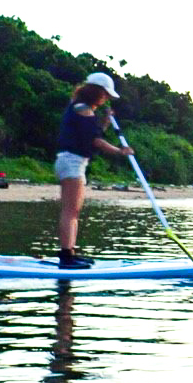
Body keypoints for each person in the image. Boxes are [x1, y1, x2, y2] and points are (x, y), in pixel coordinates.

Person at [55, 71, 133, 269]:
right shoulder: (83, 109)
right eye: (105, 94)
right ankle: (66, 257)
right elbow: (96, 141)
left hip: (74, 162)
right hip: (72, 162)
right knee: (70, 211)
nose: (106, 98)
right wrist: (120, 152)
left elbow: (93, 133)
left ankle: (70, 253)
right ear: (96, 92)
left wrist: (105, 122)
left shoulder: (82, 108)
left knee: (73, 211)